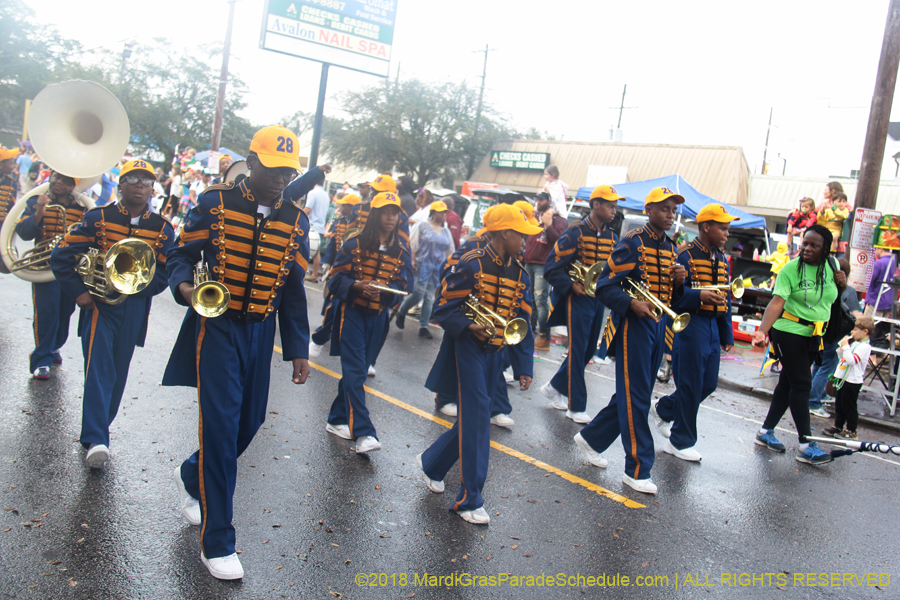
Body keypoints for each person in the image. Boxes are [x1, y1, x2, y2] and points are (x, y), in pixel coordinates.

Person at [163, 125, 317, 581]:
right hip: (218, 326)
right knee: (221, 427)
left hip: (261, 330)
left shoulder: (297, 219)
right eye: (272, 169)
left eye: (288, 172)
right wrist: (185, 288)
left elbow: (293, 290)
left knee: (249, 423)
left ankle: (192, 475)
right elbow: (179, 255)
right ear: (251, 163)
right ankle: (218, 542)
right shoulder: (215, 202)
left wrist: (298, 348)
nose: (280, 179)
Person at [417, 203, 540, 524]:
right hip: (468, 348)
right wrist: (469, 325)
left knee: (476, 416)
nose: (525, 242)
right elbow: (444, 308)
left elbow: (523, 321)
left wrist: (524, 365)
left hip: (496, 353)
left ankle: (432, 463)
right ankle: (469, 499)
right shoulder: (472, 263)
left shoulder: (521, 273)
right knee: (477, 419)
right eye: (521, 236)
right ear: (505, 233)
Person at [50, 159, 174, 468]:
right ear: (120, 185)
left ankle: (97, 430)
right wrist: (79, 293)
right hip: (100, 305)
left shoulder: (162, 228)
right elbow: (61, 255)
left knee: (117, 374)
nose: (139, 185)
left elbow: (165, 272)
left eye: (146, 181)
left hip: (134, 307)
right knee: (99, 369)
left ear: (153, 188)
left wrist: (137, 286)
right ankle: (97, 437)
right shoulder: (99, 218)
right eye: (132, 179)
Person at [572, 187, 686, 495]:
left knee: (637, 393)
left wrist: (679, 282)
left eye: (673, 210)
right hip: (632, 326)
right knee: (637, 397)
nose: (670, 215)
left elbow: (672, 297)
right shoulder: (632, 242)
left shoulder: (671, 247)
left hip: (658, 326)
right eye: (664, 209)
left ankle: (592, 438)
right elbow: (604, 286)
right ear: (649, 210)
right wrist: (631, 303)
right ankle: (637, 469)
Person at [324, 192, 412, 452]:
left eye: (394, 213)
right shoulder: (354, 243)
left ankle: (336, 419)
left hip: (379, 317)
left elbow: (404, 285)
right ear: (375, 215)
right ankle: (363, 432)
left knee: (359, 372)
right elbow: (334, 279)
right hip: (351, 313)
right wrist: (355, 286)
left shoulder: (402, 251)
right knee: (354, 371)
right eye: (385, 212)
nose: (390, 217)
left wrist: (386, 291)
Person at [751, 225, 845, 466]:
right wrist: (762, 330)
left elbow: (832, 298)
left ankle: (765, 432)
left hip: (814, 335)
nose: (807, 248)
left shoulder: (832, 265)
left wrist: (842, 284)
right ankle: (805, 445)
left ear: (825, 249)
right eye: (805, 243)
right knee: (802, 384)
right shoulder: (790, 270)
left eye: (814, 245)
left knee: (787, 383)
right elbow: (776, 302)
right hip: (788, 331)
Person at [650, 203, 738, 461]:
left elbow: (726, 298)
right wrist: (699, 296)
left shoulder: (721, 258)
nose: (727, 234)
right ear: (706, 227)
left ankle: (664, 408)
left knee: (708, 384)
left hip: (712, 327)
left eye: (728, 229)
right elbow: (671, 296)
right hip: (691, 324)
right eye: (723, 228)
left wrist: (727, 334)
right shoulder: (684, 256)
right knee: (690, 385)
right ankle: (680, 441)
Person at [541, 185, 620, 423]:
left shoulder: (612, 237)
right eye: (610, 206)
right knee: (577, 350)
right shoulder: (575, 232)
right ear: (596, 204)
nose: (614, 211)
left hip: (598, 299)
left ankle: (554, 386)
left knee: (587, 351)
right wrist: (571, 286)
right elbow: (551, 267)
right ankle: (576, 406)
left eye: (615, 206)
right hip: (577, 298)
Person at [16, 171, 87, 379]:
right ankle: (42, 359)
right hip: (43, 266)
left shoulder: (82, 207)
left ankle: (54, 345)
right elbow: (24, 233)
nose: (58, 182)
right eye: (55, 177)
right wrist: (39, 211)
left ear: (73, 184)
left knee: (65, 311)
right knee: (47, 312)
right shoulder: (35, 201)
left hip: (70, 269)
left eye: (65, 180)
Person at [309, 193, 361, 358]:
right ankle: (322, 335)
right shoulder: (339, 222)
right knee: (330, 302)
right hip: (337, 268)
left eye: (344, 205)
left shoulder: (361, 225)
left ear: (351, 208)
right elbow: (333, 243)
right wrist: (327, 262)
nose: (341, 207)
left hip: (353, 271)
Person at [396, 201, 455, 339]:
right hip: (422, 266)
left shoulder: (446, 231)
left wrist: (449, 266)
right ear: (433, 213)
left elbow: (451, 250)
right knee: (418, 294)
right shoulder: (422, 226)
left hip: (437, 269)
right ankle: (402, 312)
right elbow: (413, 243)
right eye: (440, 212)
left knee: (430, 297)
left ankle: (423, 326)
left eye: (444, 212)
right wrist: (412, 260)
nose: (443, 215)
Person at [809, 259, 860, 417]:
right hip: (835, 334)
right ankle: (814, 402)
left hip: (820, 330)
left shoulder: (824, 286)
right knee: (827, 368)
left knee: (818, 365)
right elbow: (856, 315)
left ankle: (811, 396)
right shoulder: (849, 291)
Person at [523, 192, 568, 351]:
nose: (538, 202)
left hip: (543, 264)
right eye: (537, 199)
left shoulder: (559, 220)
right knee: (529, 300)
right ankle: (530, 333)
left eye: (541, 199)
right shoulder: (536, 216)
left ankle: (544, 336)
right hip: (529, 262)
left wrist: (549, 225)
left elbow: (561, 242)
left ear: (550, 201)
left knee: (540, 301)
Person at [822, 316, 875, 441]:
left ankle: (851, 429)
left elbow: (852, 360)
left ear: (865, 331)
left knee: (849, 406)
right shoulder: (855, 343)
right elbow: (843, 358)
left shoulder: (865, 347)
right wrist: (841, 348)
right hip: (843, 379)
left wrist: (846, 347)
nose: (852, 332)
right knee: (839, 404)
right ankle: (838, 425)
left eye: (856, 330)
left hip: (853, 381)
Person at [301, 171, 330, 281]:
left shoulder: (313, 193)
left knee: (304, 250)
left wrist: (298, 216)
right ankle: (314, 274)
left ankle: (303, 273)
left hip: (311, 226)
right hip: (320, 227)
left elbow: (308, 209)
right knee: (316, 252)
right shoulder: (326, 195)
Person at [863, 247, 896, 319]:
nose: (875, 252)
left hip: (875, 302)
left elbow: (870, 280)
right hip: (890, 304)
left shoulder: (878, 263)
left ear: (881, 249)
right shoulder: (895, 263)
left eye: (876, 249)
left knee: (866, 324)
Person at [0, 147, 19, 224]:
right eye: (11, 163)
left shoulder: (11, 183)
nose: (14, 166)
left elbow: (11, 210)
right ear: (1, 165)